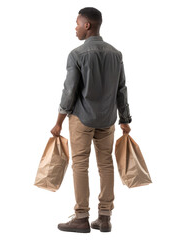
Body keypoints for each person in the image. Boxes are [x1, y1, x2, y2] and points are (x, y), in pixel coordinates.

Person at [50, 7, 132, 233]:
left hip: (82, 119)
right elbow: (121, 89)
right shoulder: (116, 54)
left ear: (88, 25)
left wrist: (58, 121)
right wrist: (124, 118)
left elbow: (70, 92)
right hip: (107, 119)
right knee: (106, 165)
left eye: (77, 23)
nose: (75, 27)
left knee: (80, 165)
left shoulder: (76, 54)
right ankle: (105, 217)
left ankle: (81, 218)